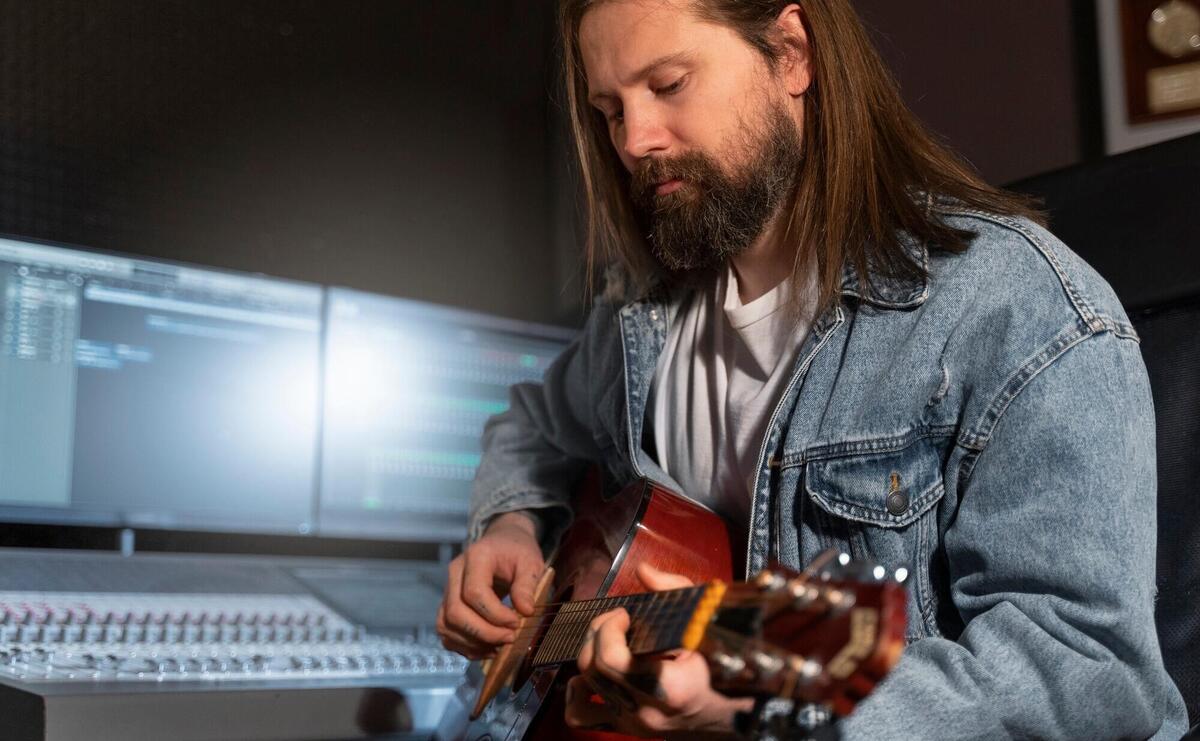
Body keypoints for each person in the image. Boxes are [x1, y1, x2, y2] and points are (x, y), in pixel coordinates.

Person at [437, 0, 1189, 738]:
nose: (634, 140)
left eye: (668, 85)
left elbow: (1086, 671)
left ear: (791, 53)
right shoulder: (640, 322)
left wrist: (764, 704)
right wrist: (509, 519)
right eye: (610, 110)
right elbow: (533, 424)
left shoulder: (1022, 313)